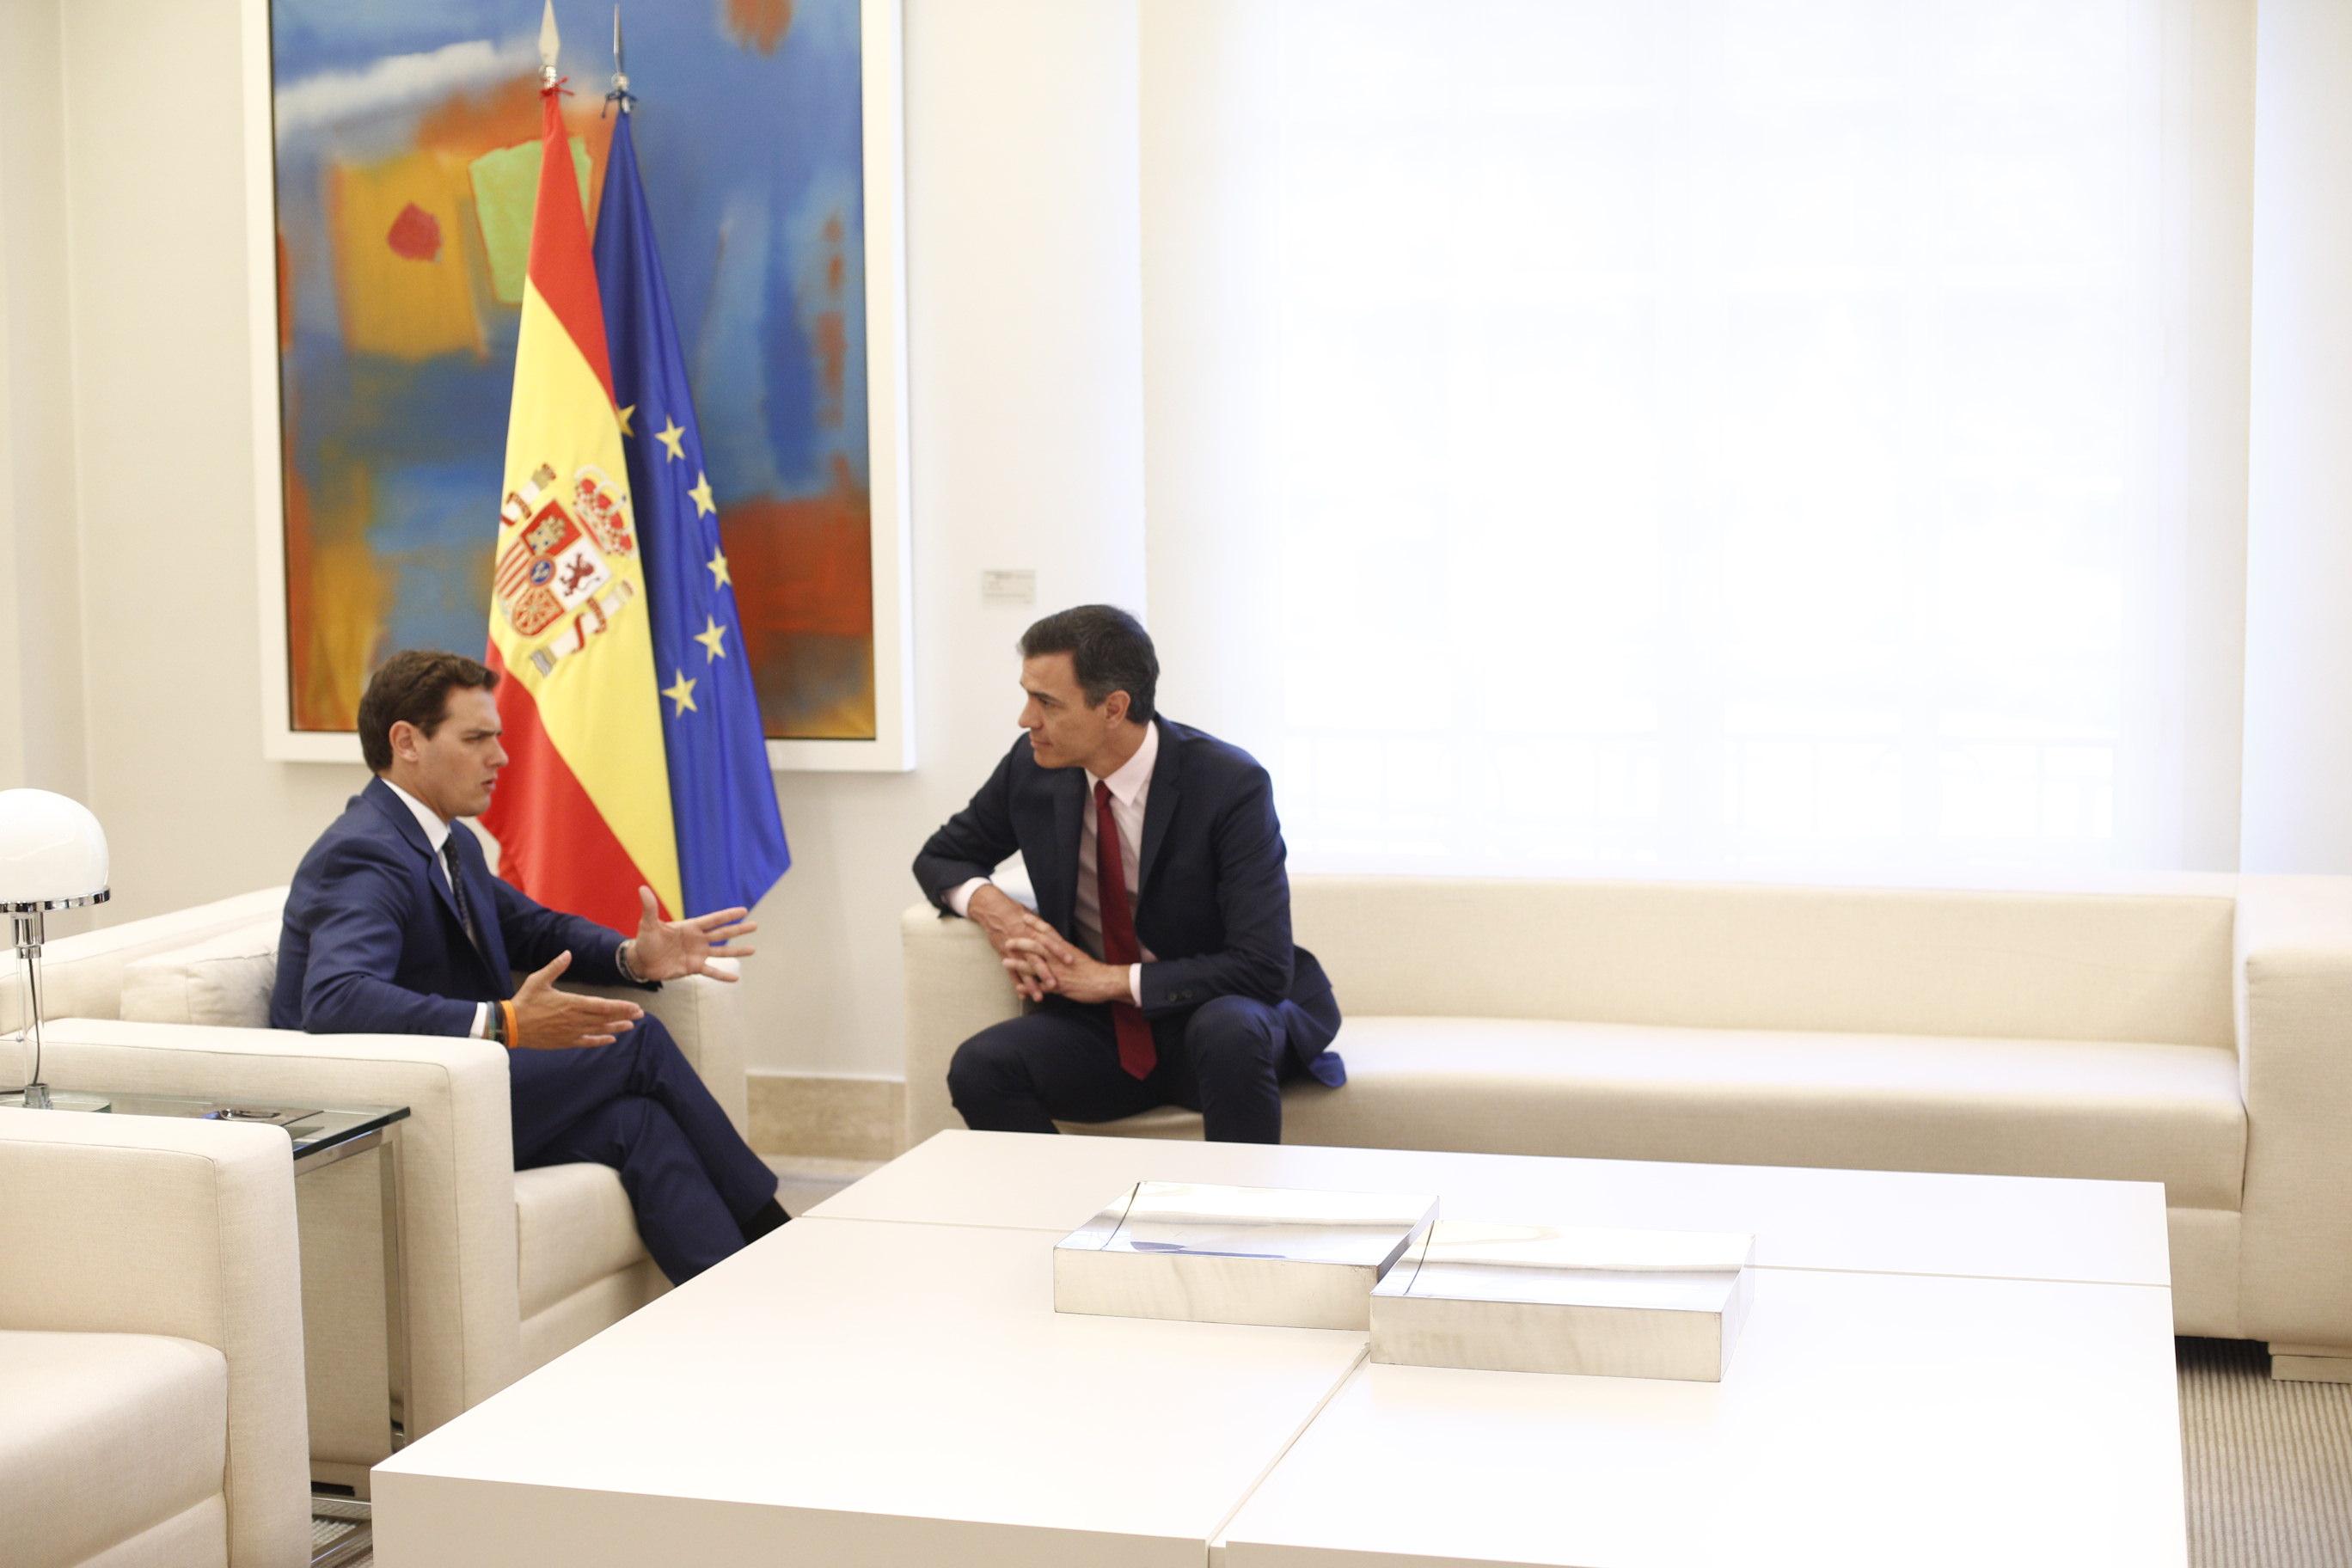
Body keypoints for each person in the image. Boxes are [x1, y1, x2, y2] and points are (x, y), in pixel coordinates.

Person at [272, 649, 786, 1283]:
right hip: (401, 1107)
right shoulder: (363, 853)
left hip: (463, 1088)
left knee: (638, 1123)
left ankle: (744, 1300)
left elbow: (533, 929)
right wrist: (503, 1022)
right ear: (406, 741)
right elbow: (338, 1001)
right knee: (637, 1041)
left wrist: (632, 955)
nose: (501, 757)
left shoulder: (447, 838)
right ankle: (777, 1233)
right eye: (476, 738)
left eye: (498, 737)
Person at [914, 604, 1342, 1143]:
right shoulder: (1033, 767)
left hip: (1211, 1020)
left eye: (1046, 702)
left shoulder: (1228, 784)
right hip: (1102, 1036)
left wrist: (1110, 980)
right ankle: (1066, 1216)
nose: (1027, 719)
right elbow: (941, 856)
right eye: (1027, 696)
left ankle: (1240, 1222)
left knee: (1230, 1029)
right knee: (980, 1067)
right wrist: (998, 912)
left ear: (1114, 708)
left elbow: (1262, 967)